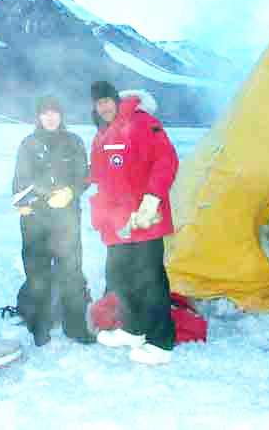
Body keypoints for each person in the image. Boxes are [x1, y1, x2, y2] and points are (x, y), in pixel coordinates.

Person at [88, 81, 179, 365]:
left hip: (144, 219)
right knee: (122, 278)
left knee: (151, 280)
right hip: (116, 224)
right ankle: (133, 329)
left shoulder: (142, 123)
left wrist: (152, 198)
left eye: (107, 101)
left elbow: (166, 160)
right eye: (98, 103)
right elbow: (101, 176)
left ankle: (161, 342)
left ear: (116, 100)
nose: (104, 107)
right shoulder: (102, 134)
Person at [12, 96, 94, 346]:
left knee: (71, 271)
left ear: (61, 116)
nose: (50, 117)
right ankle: (39, 324)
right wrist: (23, 205)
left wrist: (71, 191)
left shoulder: (73, 142)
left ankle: (75, 326)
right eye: (46, 113)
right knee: (37, 272)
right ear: (39, 116)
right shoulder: (28, 144)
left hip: (66, 219)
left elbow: (84, 175)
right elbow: (19, 180)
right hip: (35, 219)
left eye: (55, 113)